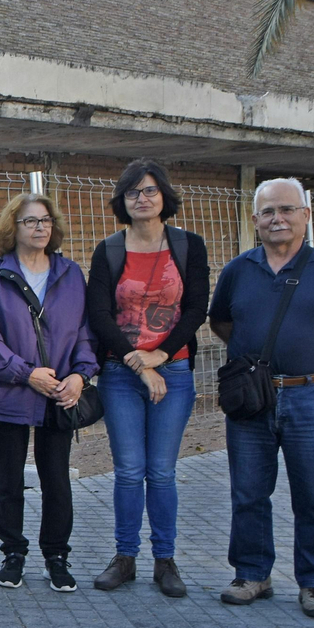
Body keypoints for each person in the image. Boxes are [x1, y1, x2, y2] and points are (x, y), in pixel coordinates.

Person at [208, 177, 314, 620]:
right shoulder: (238, 270)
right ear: (255, 219)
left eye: (286, 209)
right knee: (248, 492)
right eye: (268, 212)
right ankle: (252, 574)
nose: (277, 218)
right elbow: (222, 323)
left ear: (305, 215)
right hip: (253, 400)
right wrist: (257, 364)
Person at [86, 160, 210, 597]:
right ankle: (124, 557)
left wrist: (159, 355)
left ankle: (165, 560)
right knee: (128, 471)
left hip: (172, 372)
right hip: (121, 374)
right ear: (123, 200)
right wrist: (139, 363)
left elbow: (196, 308)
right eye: (133, 192)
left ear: (164, 197)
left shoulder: (189, 246)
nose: (142, 198)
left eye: (150, 190)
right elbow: (99, 314)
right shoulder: (109, 250)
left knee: (160, 471)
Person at [0, 192, 98, 593]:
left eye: (45, 220)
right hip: (10, 391)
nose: (40, 227)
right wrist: (26, 375)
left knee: (56, 478)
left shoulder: (70, 273)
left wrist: (80, 376)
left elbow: (84, 331)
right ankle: (13, 553)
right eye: (30, 221)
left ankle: (56, 556)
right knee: (8, 477)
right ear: (13, 227)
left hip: (60, 393)